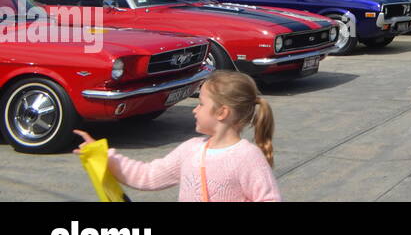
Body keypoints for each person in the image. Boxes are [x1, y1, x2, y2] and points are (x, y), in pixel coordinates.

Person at [74, 70, 279, 201]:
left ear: (221, 112)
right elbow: (149, 176)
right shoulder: (192, 149)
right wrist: (105, 156)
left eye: (201, 104)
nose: (194, 110)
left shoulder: (248, 157)